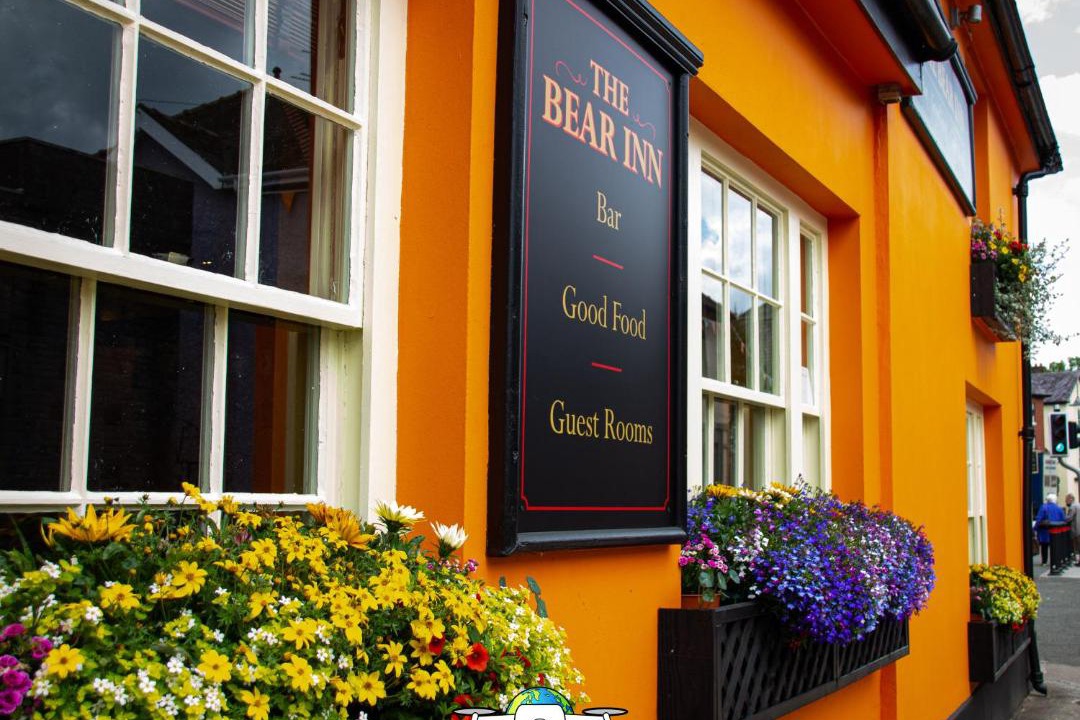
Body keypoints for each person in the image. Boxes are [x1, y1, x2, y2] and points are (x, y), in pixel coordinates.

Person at [1034, 493, 1066, 566]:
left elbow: (1039, 519)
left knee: (1044, 547)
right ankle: (1056, 561)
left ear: (1047, 500)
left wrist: (1035, 528)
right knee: (1055, 547)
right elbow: (1063, 519)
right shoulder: (1059, 508)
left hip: (1045, 531)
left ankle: (1044, 562)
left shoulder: (1043, 507)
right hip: (1057, 531)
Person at [1067, 493, 1080, 566]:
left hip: (1076, 529)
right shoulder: (1078, 504)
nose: (1066, 501)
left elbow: (1069, 518)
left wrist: (1063, 519)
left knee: (1077, 547)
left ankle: (1078, 561)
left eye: (1066, 499)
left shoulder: (1073, 507)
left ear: (1070, 499)